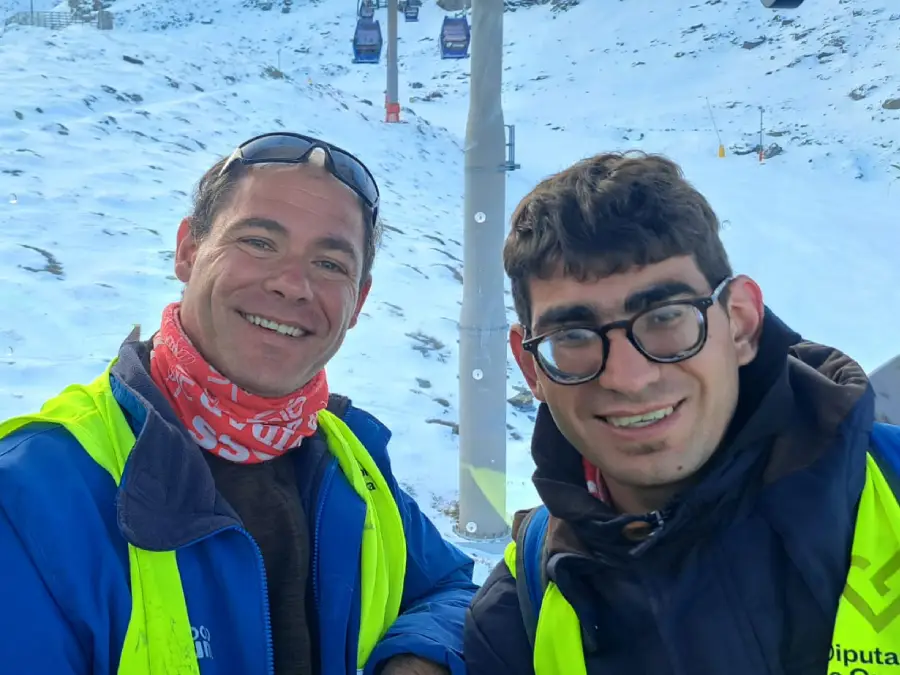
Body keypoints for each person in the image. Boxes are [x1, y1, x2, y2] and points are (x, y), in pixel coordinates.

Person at [0, 131, 477, 675]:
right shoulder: (32, 493)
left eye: (330, 264)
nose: (292, 285)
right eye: (258, 242)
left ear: (358, 302)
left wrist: (418, 657)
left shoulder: (352, 461)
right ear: (188, 251)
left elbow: (449, 588)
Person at [463, 151, 900, 675]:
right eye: (573, 336)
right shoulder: (521, 611)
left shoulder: (888, 492)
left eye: (666, 317)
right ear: (531, 368)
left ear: (740, 323)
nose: (628, 377)